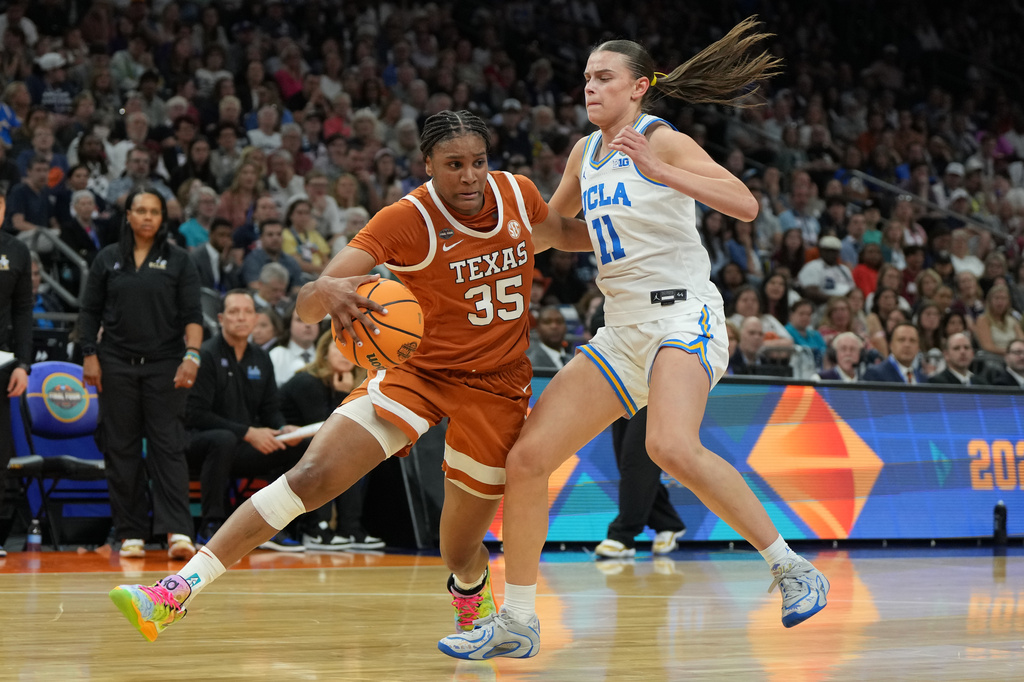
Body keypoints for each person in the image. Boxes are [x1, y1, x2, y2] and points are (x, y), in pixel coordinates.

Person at [108, 110, 591, 641]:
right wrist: (327, 290)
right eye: (454, 165)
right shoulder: (405, 218)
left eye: (478, 162)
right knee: (311, 476)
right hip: (420, 370)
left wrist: (630, 234)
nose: (470, 176)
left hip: (496, 386)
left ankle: (470, 592)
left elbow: (558, 233)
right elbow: (308, 304)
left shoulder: (516, 193)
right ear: (427, 164)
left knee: (457, 548)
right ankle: (175, 592)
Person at [439, 19, 828, 660]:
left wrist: (659, 170)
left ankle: (790, 566)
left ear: (639, 87)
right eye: (587, 77)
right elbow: (549, 228)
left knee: (670, 444)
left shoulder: (662, 139)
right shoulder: (582, 153)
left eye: (604, 77)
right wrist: (471, 246)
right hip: (620, 331)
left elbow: (747, 205)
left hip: (683, 318)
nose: (590, 86)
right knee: (526, 461)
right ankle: (520, 619)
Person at [79, 188, 202, 561]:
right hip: (115, 364)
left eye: (155, 211)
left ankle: (178, 533)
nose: (148, 217)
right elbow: (89, 312)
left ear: (163, 218)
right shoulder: (107, 259)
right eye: (141, 210)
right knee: (121, 450)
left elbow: (193, 316)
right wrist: (89, 354)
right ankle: (130, 533)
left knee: (168, 448)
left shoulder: (179, 260)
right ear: (128, 215)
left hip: (165, 364)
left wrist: (192, 355)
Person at [182, 290, 307, 548]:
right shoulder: (206, 355)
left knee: (297, 447)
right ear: (221, 318)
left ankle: (275, 526)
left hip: (243, 445)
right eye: (234, 312)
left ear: (255, 318)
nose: (241, 318)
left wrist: (283, 429)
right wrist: (248, 432)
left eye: (247, 312)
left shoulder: (261, 357)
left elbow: (271, 408)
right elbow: (196, 414)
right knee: (223, 439)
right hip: (198, 444)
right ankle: (211, 524)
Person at [278, 330, 382, 550]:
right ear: (324, 353)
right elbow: (327, 429)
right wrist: (341, 395)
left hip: (308, 445)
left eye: (353, 348)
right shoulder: (307, 381)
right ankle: (315, 528)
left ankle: (350, 528)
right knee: (332, 452)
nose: (346, 354)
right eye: (339, 347)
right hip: (284, 445)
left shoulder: (356, 383)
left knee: (359, 452)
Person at [0, 196, 32, 558]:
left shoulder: (16, 250)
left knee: (1, 451)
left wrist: (23, 363)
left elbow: (24, 311)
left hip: (3, 363)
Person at [269, 305, 321, 387]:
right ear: (289, 324)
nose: (308, 325)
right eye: (300, 320)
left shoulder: (326, 356)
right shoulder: (276, 356)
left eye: (313, 320)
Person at [862, 323, 927, 384]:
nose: (907, 345)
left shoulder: (923, 379)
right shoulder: (875, 374)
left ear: (918, 347)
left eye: (912, 340)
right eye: (901, 339)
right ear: (891, 344)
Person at [525, 305, 572, 370]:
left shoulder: (575, 361)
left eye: (559, 321)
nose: (554, 326)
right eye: (547, 322)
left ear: (566, 327)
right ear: (538, 328)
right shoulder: (530, 364)